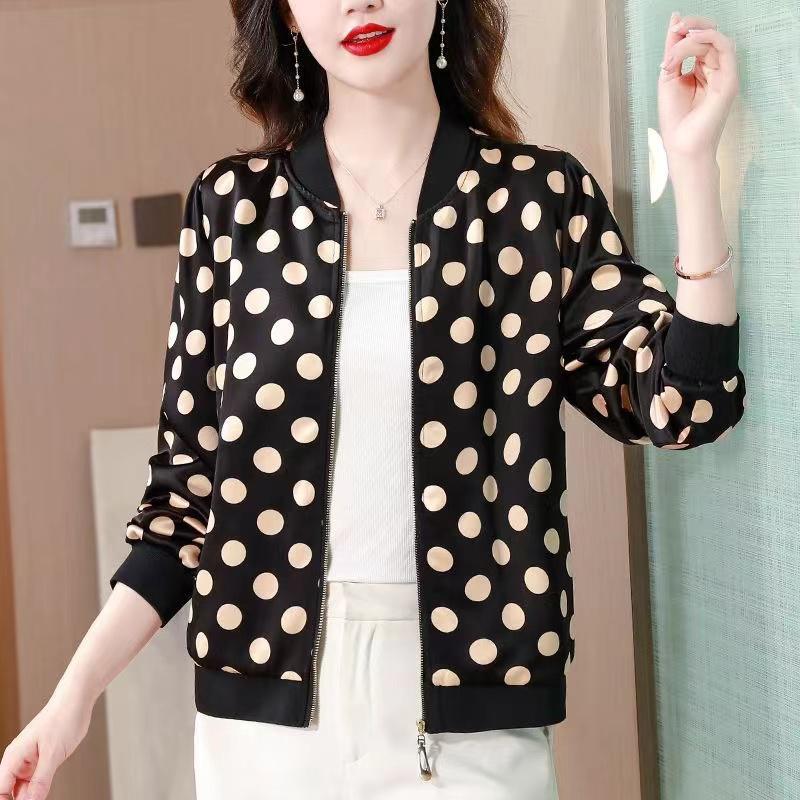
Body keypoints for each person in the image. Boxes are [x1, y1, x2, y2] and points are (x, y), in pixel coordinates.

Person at [0, 2, 745, 799]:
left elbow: (683, 405)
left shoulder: (537, 200)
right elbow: (185, 503)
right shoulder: (231, 208)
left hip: (474, 719)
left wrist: (693, 166)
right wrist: (71, 700)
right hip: (266, 734)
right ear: (287, 16)